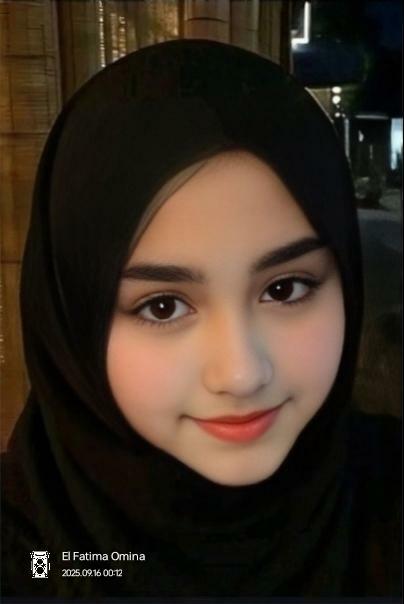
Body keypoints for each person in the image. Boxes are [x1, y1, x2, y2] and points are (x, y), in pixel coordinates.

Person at [1, 39, 401, 599]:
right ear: (72, 321)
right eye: (163, 306)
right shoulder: (35, 555)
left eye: (285, 289)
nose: (241, 374)